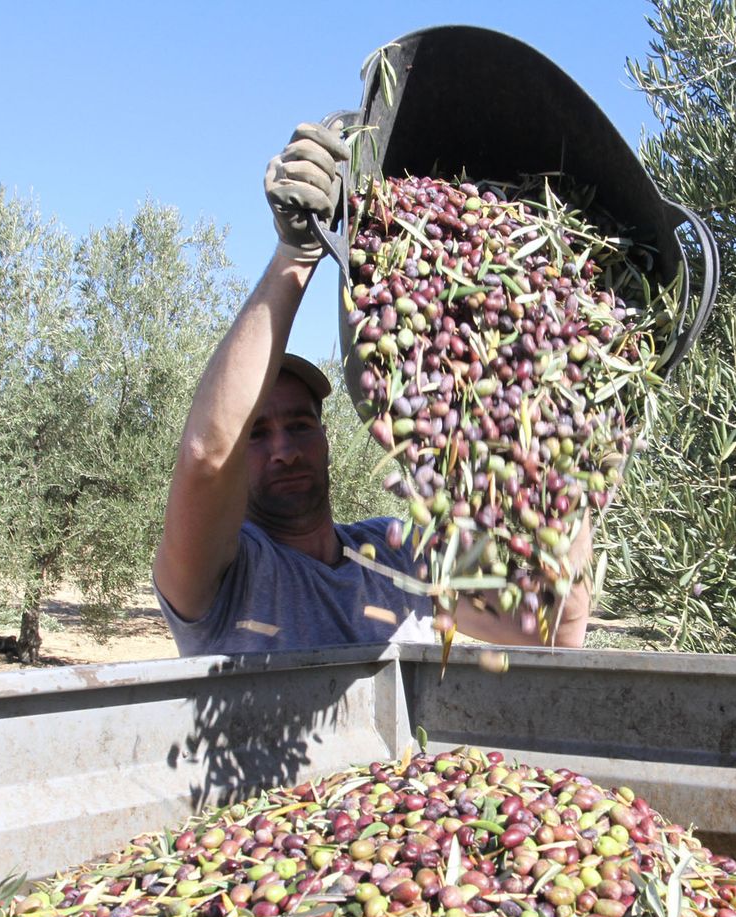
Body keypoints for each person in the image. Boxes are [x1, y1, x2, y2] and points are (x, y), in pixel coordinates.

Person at [153, 122, 593, 654]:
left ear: (325, 436)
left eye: (298, 425)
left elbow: (555, 630)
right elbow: (206, 454)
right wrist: (296, 255)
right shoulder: (223, 576)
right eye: (258, 435)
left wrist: (566, 459)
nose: (285, 451)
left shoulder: (396, 555)